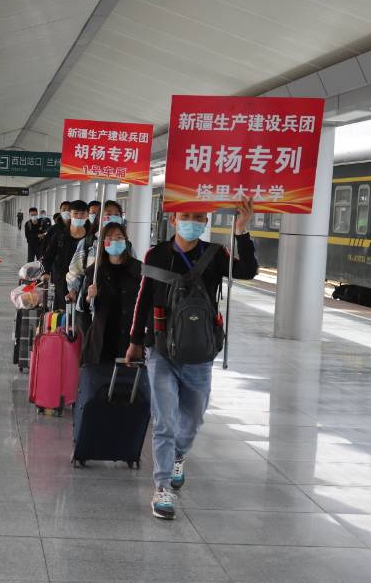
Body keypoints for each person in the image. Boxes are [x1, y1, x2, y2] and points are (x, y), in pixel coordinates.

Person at [126, 201, 258, 520]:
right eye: (186, 217)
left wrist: (242, 231)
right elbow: (144, 298)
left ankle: (177, 455)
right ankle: (162, 488)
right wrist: (134, 341)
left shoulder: (215, 254)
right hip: (161, 349)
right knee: (164, 421)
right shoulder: (156, 255)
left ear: (206, 222)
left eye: (199, 218)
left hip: (199, 352)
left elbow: (248, 271)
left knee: (194, 417)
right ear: (174, 220)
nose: (192, 222)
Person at [75, 221, 148, 441]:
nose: (115, 242)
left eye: (119, 238)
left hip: (128, 338)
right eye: (110, 238)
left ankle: (122, 434)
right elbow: (82, 308)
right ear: (103, 243)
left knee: (126, 389)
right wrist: (89, 296)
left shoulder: (139, 270)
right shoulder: (94, 271)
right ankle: (97, 432)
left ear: (126, 241)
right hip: (101, 339)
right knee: (100, 387)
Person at [42, 199, 88, 309]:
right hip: (62, 277)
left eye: (82, 214)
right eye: (76, 213)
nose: (79, 217)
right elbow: (49, 255)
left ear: (87, 215)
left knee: (81, 309)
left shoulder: (90, 237)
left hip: (84, 279)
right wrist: (46, 272)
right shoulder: (60, 235)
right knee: (62, 309)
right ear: (70, 214)